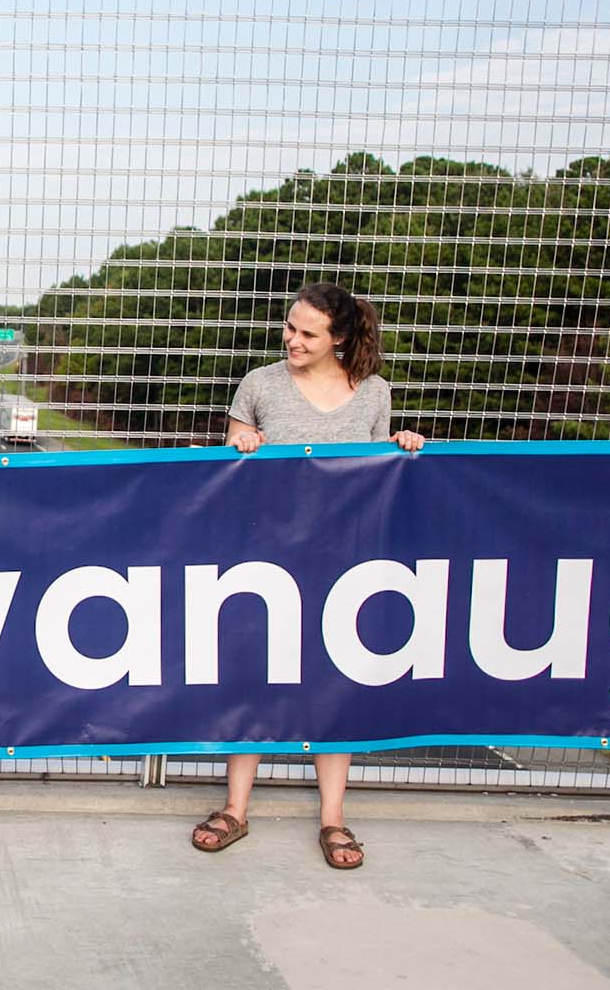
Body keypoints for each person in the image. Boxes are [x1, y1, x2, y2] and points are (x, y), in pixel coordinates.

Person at [190, 281, 424, 870]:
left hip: (342, 562)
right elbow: (231, 460)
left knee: (334, 685)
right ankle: (235, 809)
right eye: (290, 327)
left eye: (307, 333)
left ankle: (334, 819)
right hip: (264, 559)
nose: (292, 339)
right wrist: (241, 441)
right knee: (255, 681)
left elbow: (378, 477)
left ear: (338, 338)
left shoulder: (373, 393)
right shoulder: (260, 384)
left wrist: (402, 446)